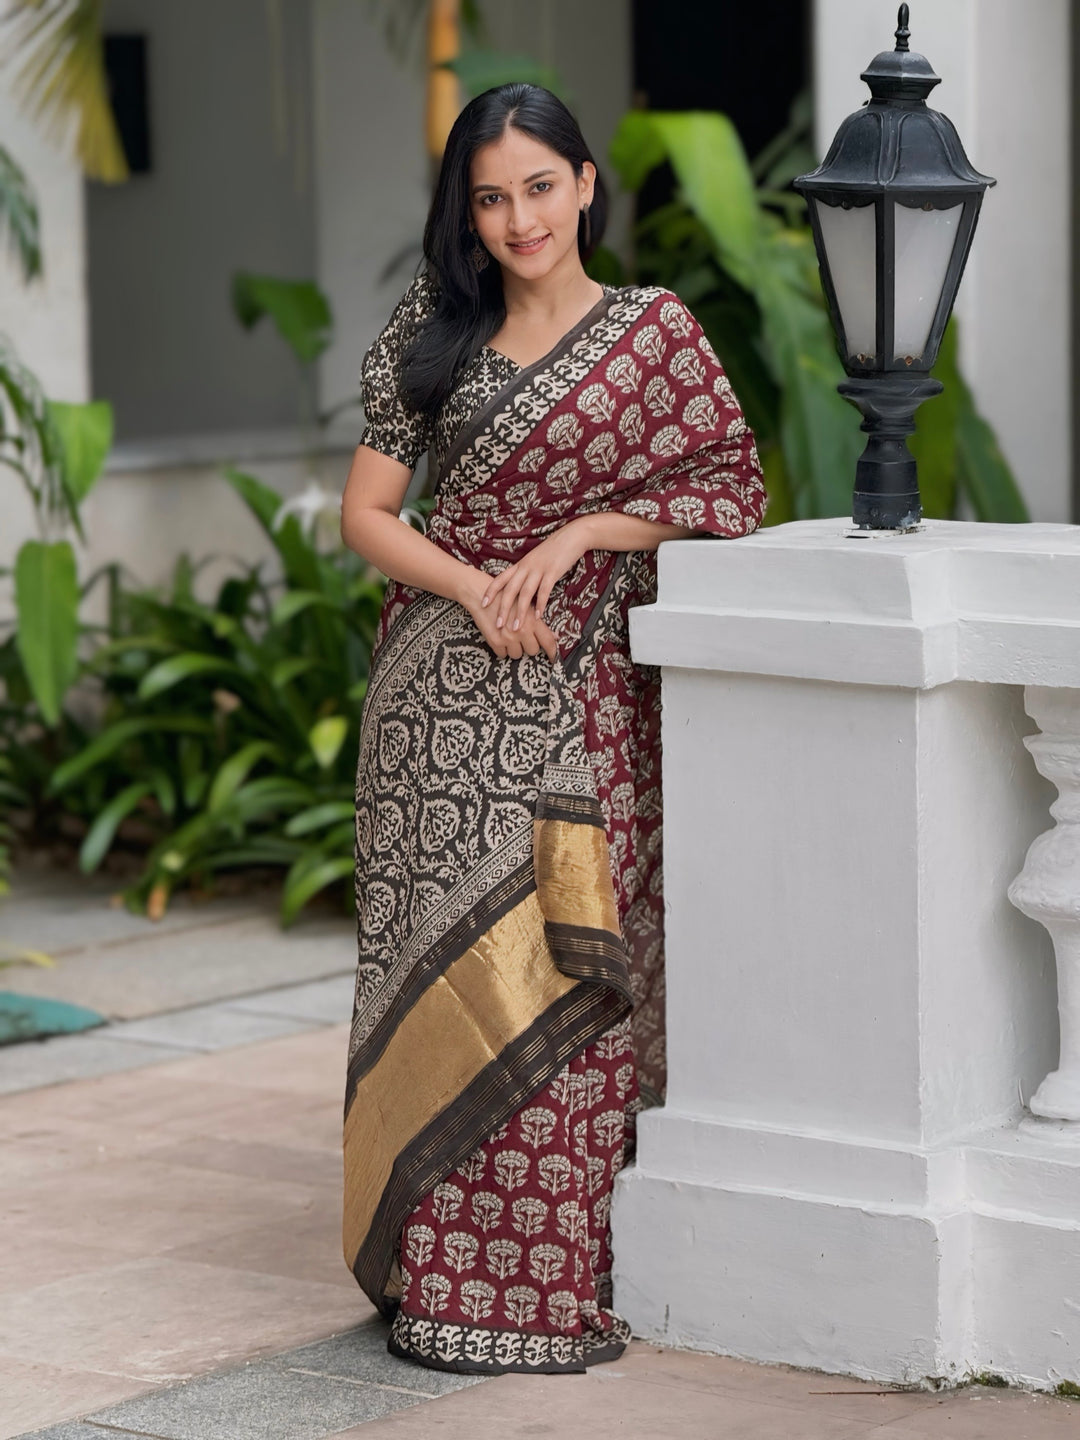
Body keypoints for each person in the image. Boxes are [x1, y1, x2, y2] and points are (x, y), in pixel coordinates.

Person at [340, 82, 766, 1376]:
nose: (519, 218)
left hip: (584, 703)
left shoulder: (654, 334)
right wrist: (479, 589)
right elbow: (367, 517)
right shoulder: (434, 327)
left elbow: (729, 490)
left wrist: (581, 533)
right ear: (466, 212)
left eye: (539, 186)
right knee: (440, 977)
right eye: (491, 197)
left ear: (585, 184)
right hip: (435, 708)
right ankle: (435, 1278)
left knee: (568, 967)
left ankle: (537, 1286)